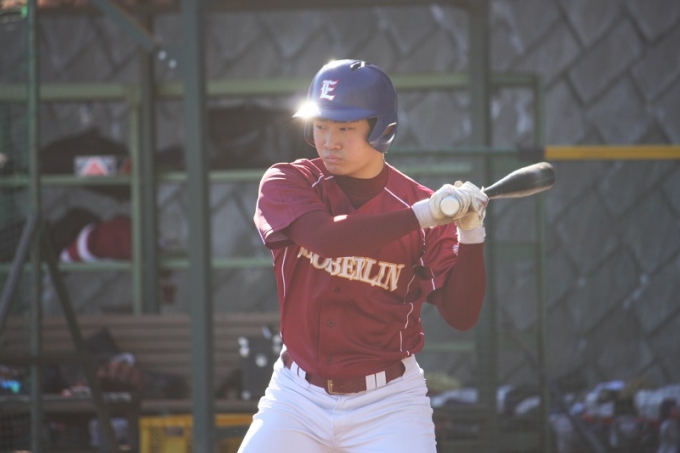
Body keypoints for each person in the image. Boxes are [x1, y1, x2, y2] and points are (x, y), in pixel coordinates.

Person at [242, 59, 488, 452]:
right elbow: (325, 238)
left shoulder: (421, 207)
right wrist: (422, 216)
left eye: (345, 127)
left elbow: (462, 316)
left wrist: (471, 233)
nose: (329, 141)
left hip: (388, 404)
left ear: (382, 130)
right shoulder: (289, 180)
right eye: (320, 125)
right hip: (295, 396)